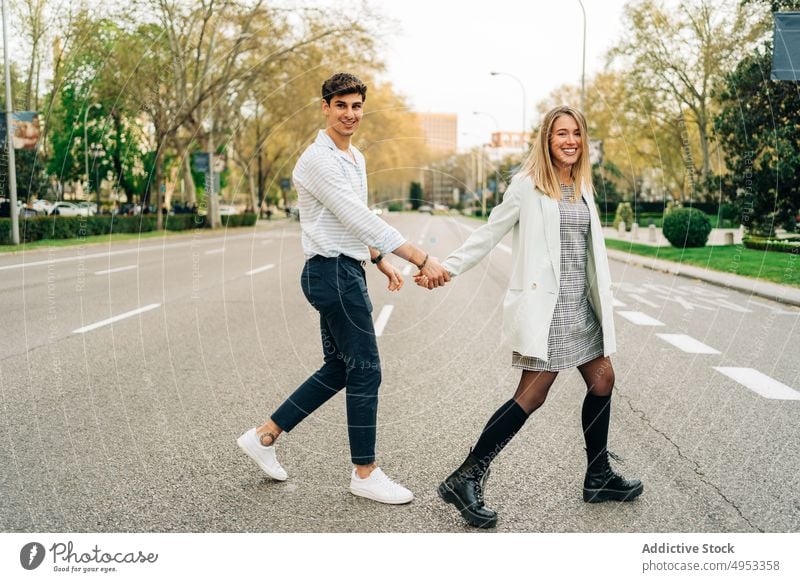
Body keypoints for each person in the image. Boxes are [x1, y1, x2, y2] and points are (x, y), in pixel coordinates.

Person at [419, 105, 642, 528]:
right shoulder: (526, 187)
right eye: (561, 134)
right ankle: (465, 476)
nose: (570, 141)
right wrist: (447, 266)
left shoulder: (581, 186)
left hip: (582, 304)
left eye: (576, 133)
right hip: (551, 308)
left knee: (602, 379)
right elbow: (489, 232)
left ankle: (597, 476)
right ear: (547, 140)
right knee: (531, 395)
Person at [237, 72, 450, 505]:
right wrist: (421, 259)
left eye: (356, 106)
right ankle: (365, 473)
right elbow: (357, 216)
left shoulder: (354, 158)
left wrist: (379, 260)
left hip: (345, 270)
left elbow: (352, 218)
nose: (350, 114)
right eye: (341, 106)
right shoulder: (317, 161)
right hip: (331, 274)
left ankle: (263, 437)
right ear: (325, 107)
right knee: (366, 369)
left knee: (339, 369)